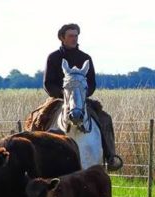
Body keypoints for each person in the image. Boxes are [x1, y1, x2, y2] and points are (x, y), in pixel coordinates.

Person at [43, 23, 121, 171]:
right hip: (59, 98)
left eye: (76, 35)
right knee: (39, 118)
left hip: (82, 98)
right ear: (62, 38)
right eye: (70, 36)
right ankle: (35, 157)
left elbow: (92, 83)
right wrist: (64, 94)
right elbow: (47, 83)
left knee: (105, 118)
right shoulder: (53, 57)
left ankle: (111, 157)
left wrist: (82, 93)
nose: (74, 38)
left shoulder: (85, 58)